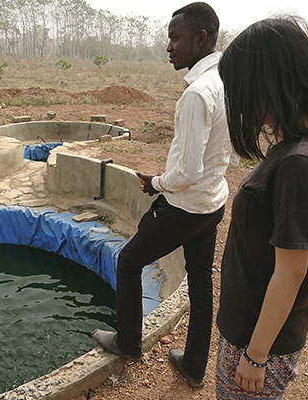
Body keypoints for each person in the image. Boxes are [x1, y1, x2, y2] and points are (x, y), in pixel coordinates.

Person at [92, 2, 233, 389]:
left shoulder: (196, 94)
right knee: (201, 285)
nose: (168, 47)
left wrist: (153, 183)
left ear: (200, 38)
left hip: (184, 207)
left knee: (128, 261)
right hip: (213, 204)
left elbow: (185, 172)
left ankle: (128, 342)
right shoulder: (225, 82)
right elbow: (226, 152)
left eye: (175, 38)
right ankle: (193, 366)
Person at [215, 16, 308, 398]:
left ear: (271, 82)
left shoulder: (299, 164)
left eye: (244, 89)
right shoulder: (297, 147)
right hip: (249, 330)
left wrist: (256, 354)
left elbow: (291, 272)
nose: (242, 103)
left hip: (257, 343)